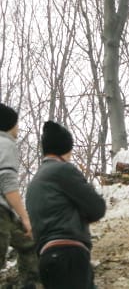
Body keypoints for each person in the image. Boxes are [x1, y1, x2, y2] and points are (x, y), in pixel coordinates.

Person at [26, 120, 106, 289]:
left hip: (46, 259)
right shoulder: (63, 170)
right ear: (65, 149)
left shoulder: (34, 183)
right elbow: (97, 208)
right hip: (69, 255)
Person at [0, 104, 39, 288]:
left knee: (27, 240)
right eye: (17, 124)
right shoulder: (6, 144)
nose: (19, 128)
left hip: (5, 214)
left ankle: (29, 282)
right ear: (9, 125)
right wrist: (25, 217)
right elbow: (8, 184)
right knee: (28, 236)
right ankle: (30, 282)